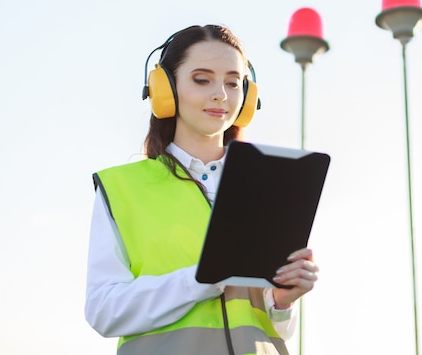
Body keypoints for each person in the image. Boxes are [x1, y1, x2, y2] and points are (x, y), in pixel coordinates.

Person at [85, 24, 319, 355]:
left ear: (247, 96)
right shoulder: (123, 188)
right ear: (165, 88)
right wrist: (199, 281)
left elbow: (276, 329)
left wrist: (282, 303)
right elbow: (103, 311)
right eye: (201, 79)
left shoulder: (267, 187)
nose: (220, 94)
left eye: (232, 83)